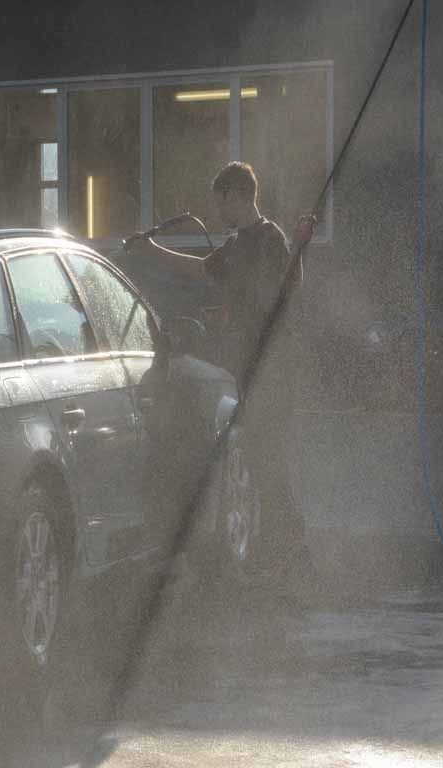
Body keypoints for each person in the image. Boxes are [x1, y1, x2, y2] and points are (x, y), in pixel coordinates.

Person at [130, 161, 316, 586]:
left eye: (220, 202)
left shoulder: (267, 238)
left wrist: (302, 245)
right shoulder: (241, 242)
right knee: (258, 460)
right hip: (252, 366)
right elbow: (208, 271)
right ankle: (283, 554)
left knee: (266, 461)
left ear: (236, 195)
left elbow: (288, 285)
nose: (217, 211)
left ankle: (289, 554)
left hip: (275, 368)